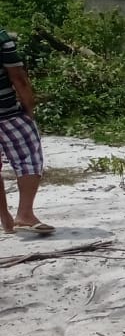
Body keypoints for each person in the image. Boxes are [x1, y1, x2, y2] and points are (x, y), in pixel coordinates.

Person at [0, 27, 53, 235]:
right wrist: (29, 107)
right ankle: (25, 214)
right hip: (7, 113)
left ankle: (5, 218)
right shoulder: (1, 38)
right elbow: (18, 76)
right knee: (29, 157)